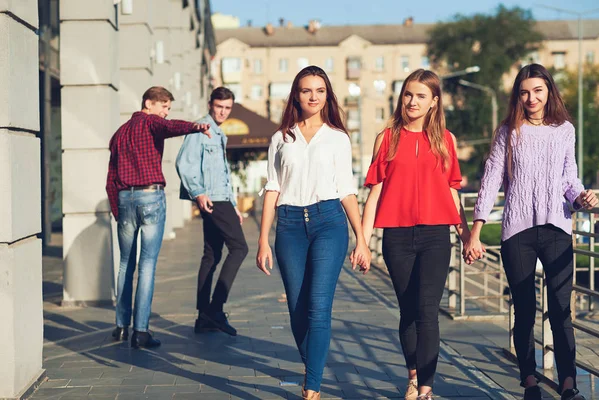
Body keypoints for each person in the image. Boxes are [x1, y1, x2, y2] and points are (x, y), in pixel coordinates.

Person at [464, 63, 598, 400]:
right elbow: (492, 178)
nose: (531, 97)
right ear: (518, 96)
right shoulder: (508, 131)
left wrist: (581, 197)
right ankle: (529, 380)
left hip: (557, 227)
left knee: (560, 308)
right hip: (517, 231)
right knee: (524, 308)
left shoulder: (565, 130)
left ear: (549, 91)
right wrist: (476, 231)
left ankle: (568, 382)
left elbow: (569, 177)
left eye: (538, 90)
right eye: (524, 92)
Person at [256, 65, 371, 400]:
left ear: (327, 95)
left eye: (320, 90)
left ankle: (312, 388)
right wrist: (262, 240)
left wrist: (361, 239)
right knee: (297, 308)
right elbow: (273, 189)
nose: (313, 96)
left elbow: (347, 190)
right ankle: (313, 364)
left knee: (319, 305)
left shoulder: (337, 138)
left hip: (329, 223)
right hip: (289, 226)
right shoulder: (281, 138)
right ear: (296, 94)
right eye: (307, 90)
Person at [361, 69, 471, 400]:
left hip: (436, 236)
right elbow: (375, 194)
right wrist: (362, 243)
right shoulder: (387, 138)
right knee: (408, 311)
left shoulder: (446, 140)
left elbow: (453, 192)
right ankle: (413, 374)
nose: (412, 101)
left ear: (434, 102)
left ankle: (425, 389)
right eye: (408, 94)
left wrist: (467, 235)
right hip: (396, 237)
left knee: (427, 311)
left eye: (421, 96)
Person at [106, 86, 210, 349]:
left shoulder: (118, 134)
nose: (165, 113)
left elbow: (111, 178)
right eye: (163, 106)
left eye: (168, 108)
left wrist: (117, 209)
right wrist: (198, 128)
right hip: (150, 197)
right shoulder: (151, 123)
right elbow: (172, 127)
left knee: (125, 264)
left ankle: (121, 327)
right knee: (147, 264)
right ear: (149, 104)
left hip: (125, 198)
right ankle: (140, 332)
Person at [176, 87, 248, 337]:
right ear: (210, 104)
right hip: (212, 199)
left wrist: (234, 206)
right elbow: (184, 163)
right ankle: (216, 309)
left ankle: (203, 317)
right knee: (240, 248)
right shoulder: (201, 129)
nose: (223, 112)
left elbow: (222, 176)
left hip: (221, 198)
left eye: (227, 108)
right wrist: (198, 193)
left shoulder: (218, 133)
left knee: (212, 254)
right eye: (219, 107)